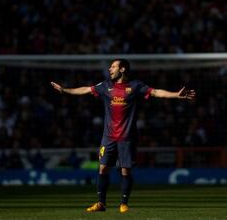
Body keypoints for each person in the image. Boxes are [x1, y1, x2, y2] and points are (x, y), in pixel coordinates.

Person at [50, 59, 195, 213]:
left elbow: (156, 92)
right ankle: (101, 203)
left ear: (123, 69)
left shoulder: (135, 86)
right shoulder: (105, 86)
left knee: (125, 171)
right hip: (108, 137)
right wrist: (65, 90)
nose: (110, 69)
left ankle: (124, 203)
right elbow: (85, 89)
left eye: (113, 66)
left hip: (127, 137)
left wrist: (176, 95)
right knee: (103, 168)